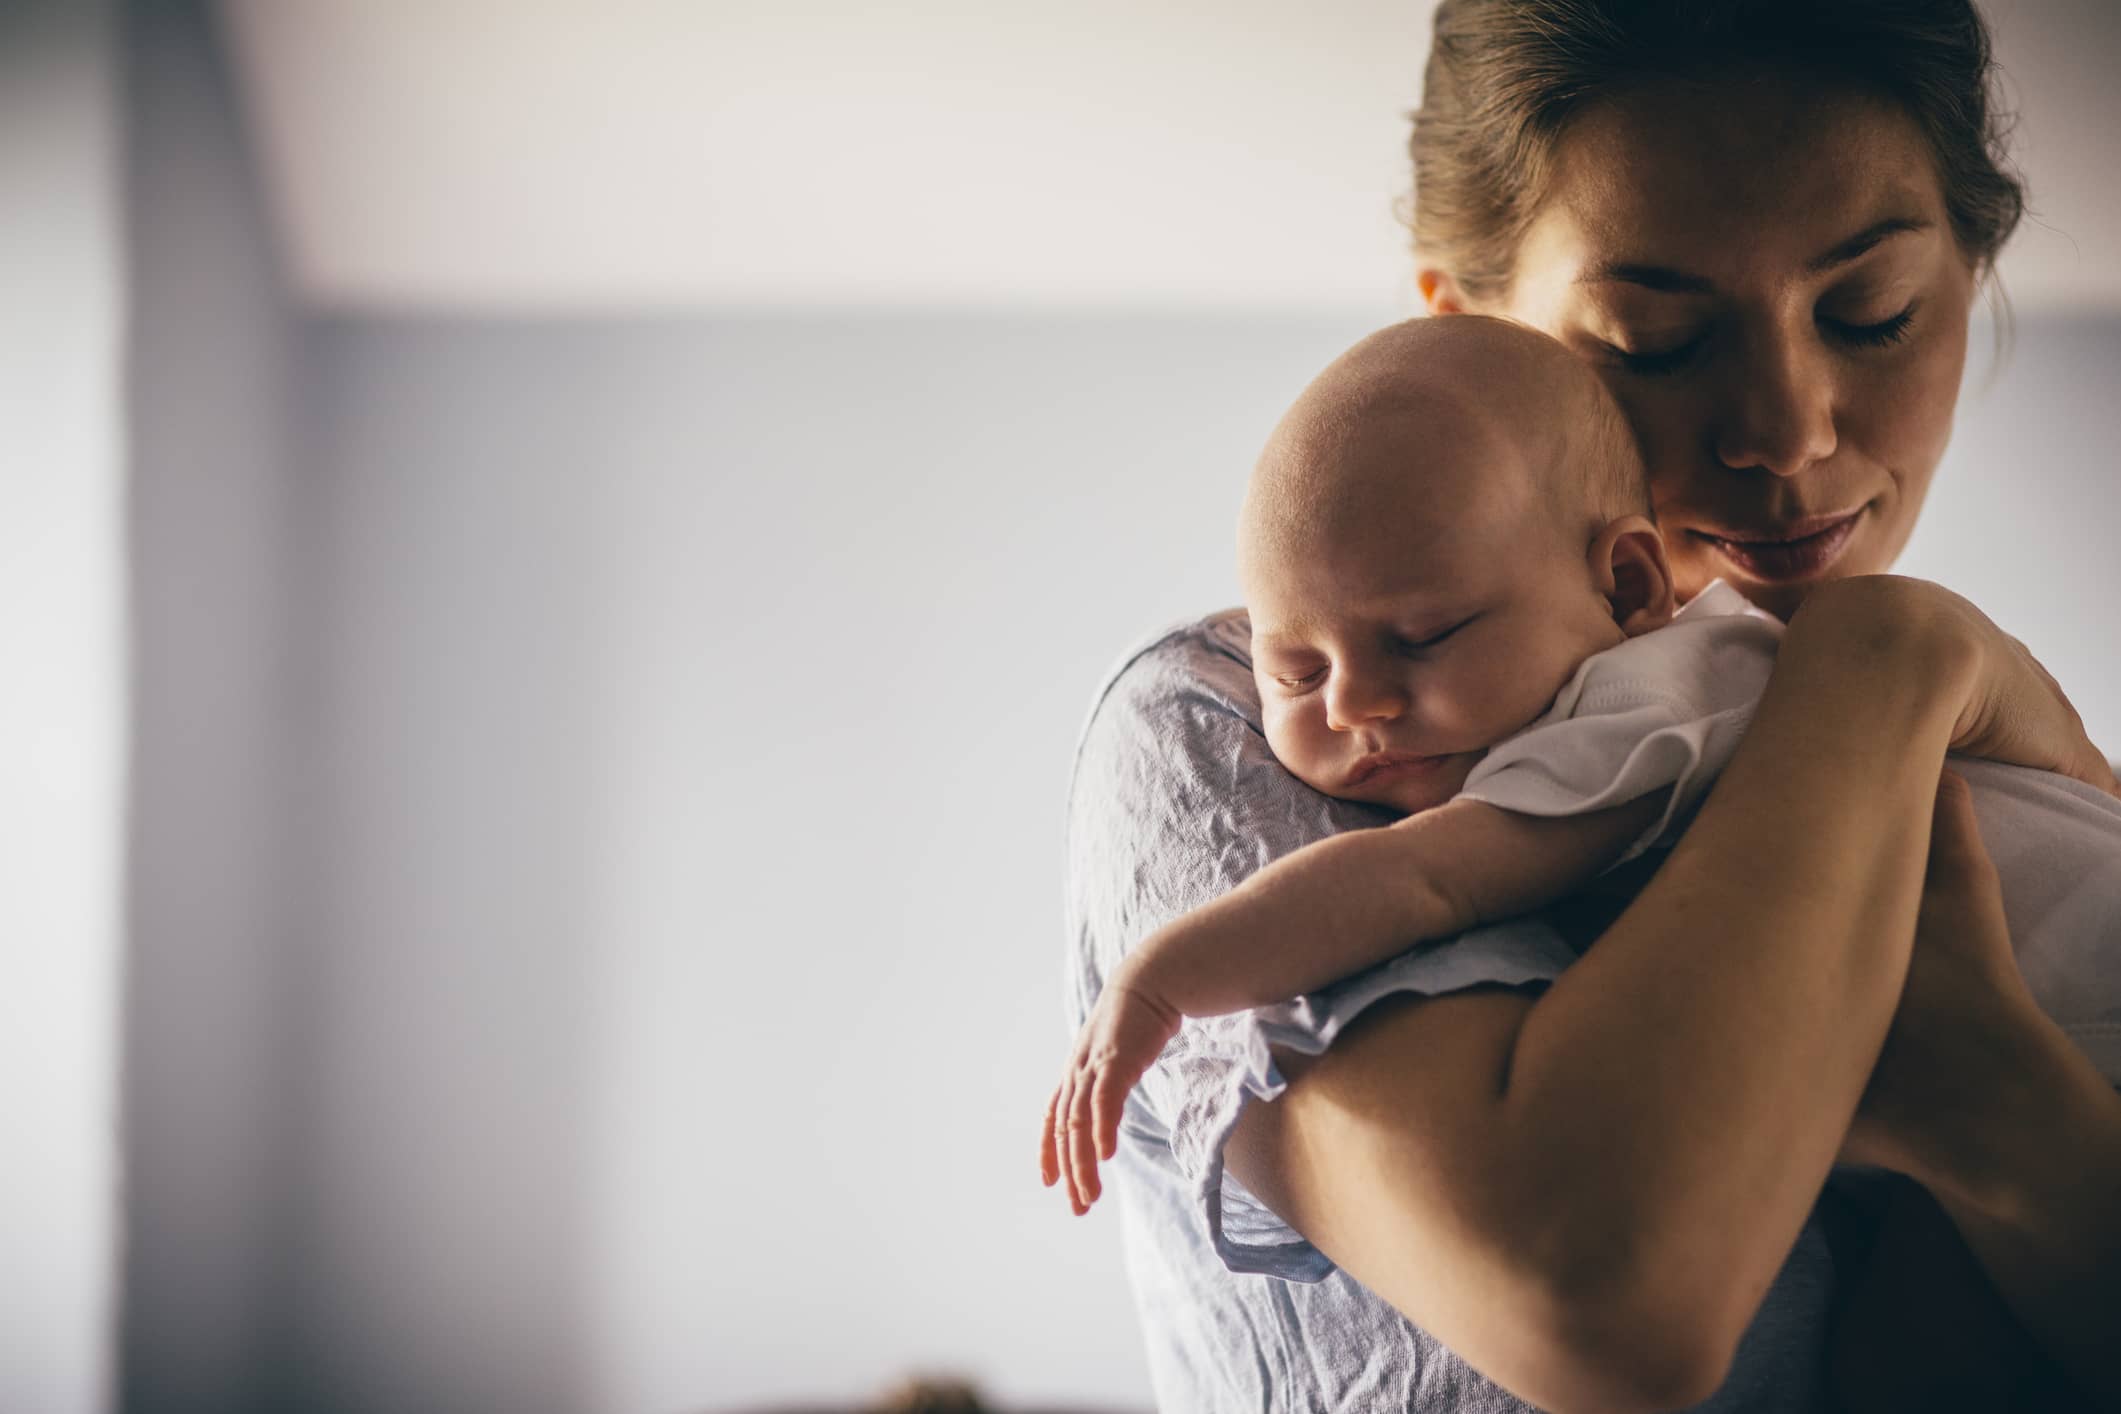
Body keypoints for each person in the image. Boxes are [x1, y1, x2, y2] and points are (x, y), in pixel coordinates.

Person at [1057, 3, 2121, 1411]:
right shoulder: (1248, 721)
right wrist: (1888, 660)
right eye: (1656, 339)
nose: (1790, 432)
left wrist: (1994, 1102)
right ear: (1476, 337)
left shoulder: (1975, 757)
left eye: (1872, 312)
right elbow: (1601, 1302)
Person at [1041, 315, 2121, 1215]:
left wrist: (1163, 977)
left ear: (1629, 588)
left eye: (1425, 636)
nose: (1357, 702)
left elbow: (1420, 877)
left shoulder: (1651, 700)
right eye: (1293, 671)